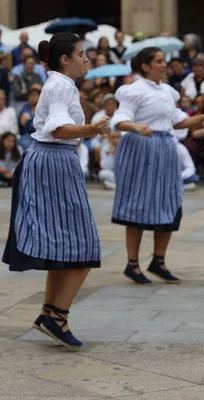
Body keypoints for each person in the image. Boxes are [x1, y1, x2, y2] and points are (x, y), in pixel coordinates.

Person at [2, 33, 110, 350]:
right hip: (53, 160)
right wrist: (92, 129)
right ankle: (56, 317)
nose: (87, 58)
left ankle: (49, 313)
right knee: (84, 246)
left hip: (48, 160)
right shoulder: (61, 84)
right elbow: (58, 129)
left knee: (64, 246)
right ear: (66, 59)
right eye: (81, 53)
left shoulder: (58, 83)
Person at [110, 47, 204, 285]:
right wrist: (135, 126)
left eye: (164, 61)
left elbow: (176, 121)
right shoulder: (134, 91)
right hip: (141, 149)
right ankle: (132, 263)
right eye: (159, 61)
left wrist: (200, 118)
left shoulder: (167, 91)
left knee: (169, 201)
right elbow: (119, 119)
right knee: (137, 203)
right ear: (145, 66)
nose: (164, 65)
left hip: (165, 149)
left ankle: (158, 260)